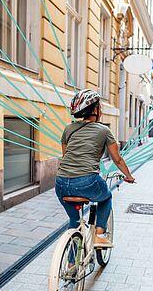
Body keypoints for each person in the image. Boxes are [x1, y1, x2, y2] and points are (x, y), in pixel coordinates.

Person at [56, 89, 135, 248]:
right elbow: (117, 159)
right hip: (88, 181)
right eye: (99, 106)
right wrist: (129, 176)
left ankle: (71, 264)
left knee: (74, 222)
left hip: (61, 183)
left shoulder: (68, 129)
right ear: (95, 110)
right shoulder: (104, 130)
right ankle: (99, 235)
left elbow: (66, 156)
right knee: (106, 197)